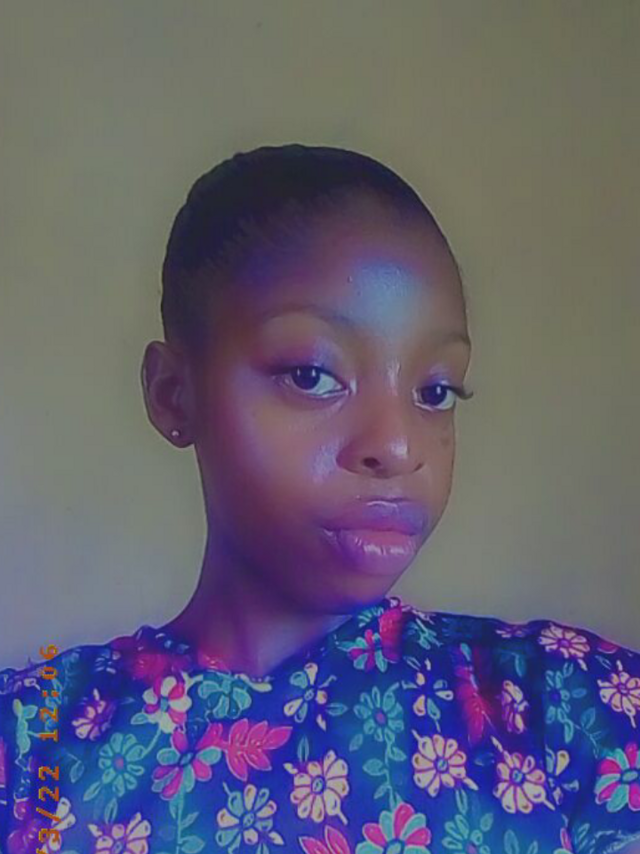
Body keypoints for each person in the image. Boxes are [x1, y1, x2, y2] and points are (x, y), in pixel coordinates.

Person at [1, 144, 638, 854]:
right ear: (173, 394)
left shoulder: (569, 709)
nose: (397, 445)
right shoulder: (31, 744)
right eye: (311, 375)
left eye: (435, 391)